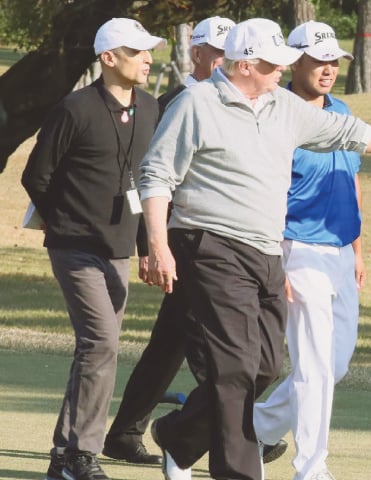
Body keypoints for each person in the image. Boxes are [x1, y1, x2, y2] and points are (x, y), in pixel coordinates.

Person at [138, 18, 371, 480]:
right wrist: (158, 245)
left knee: (263, 367)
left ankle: (180, 437)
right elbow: (156, 176)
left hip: (265, 253)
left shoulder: (281, 106)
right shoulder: (196, 103)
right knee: (237, 367)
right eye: (272, 64)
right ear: (243, 65)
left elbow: (348, 133)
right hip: (210, 244)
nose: (281, 70)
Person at [20, 17, 165, 480]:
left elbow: (146, 184)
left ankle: (63, 455)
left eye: (149, 51)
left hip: (119, 248)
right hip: (75, 247)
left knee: (95, 349)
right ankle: (84, 453)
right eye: (137, 51)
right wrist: (65, 225)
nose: (147, 58)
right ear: (108, 58)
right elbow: (35, 176)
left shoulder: (151, 108)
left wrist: (147, 246)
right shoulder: (75, 108)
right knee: (101, 342)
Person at [100, 15, 235, 470]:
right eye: (217, 51)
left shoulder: (232, 101)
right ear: (196, 53)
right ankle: (232, 428)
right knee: (206, 342)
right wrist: (151, 243)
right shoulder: (174, 102)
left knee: (170, 344)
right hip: (183, 242)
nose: (225, 60)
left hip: (209, 240)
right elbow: (148, 178)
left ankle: (123, 434)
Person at [251, 21, 364, 480]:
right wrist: (276, 260)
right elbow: (264, 193)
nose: (328, 69)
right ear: (292, 62)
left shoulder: (342, 111)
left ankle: (246, 429)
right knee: (313, 368)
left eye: (334, 60)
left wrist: (359, 249)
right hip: (297, 248)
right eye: (319, 60)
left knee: (333, 366)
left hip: (340, 253)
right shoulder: (275, 114)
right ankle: (312, 468)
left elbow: (351, 181)